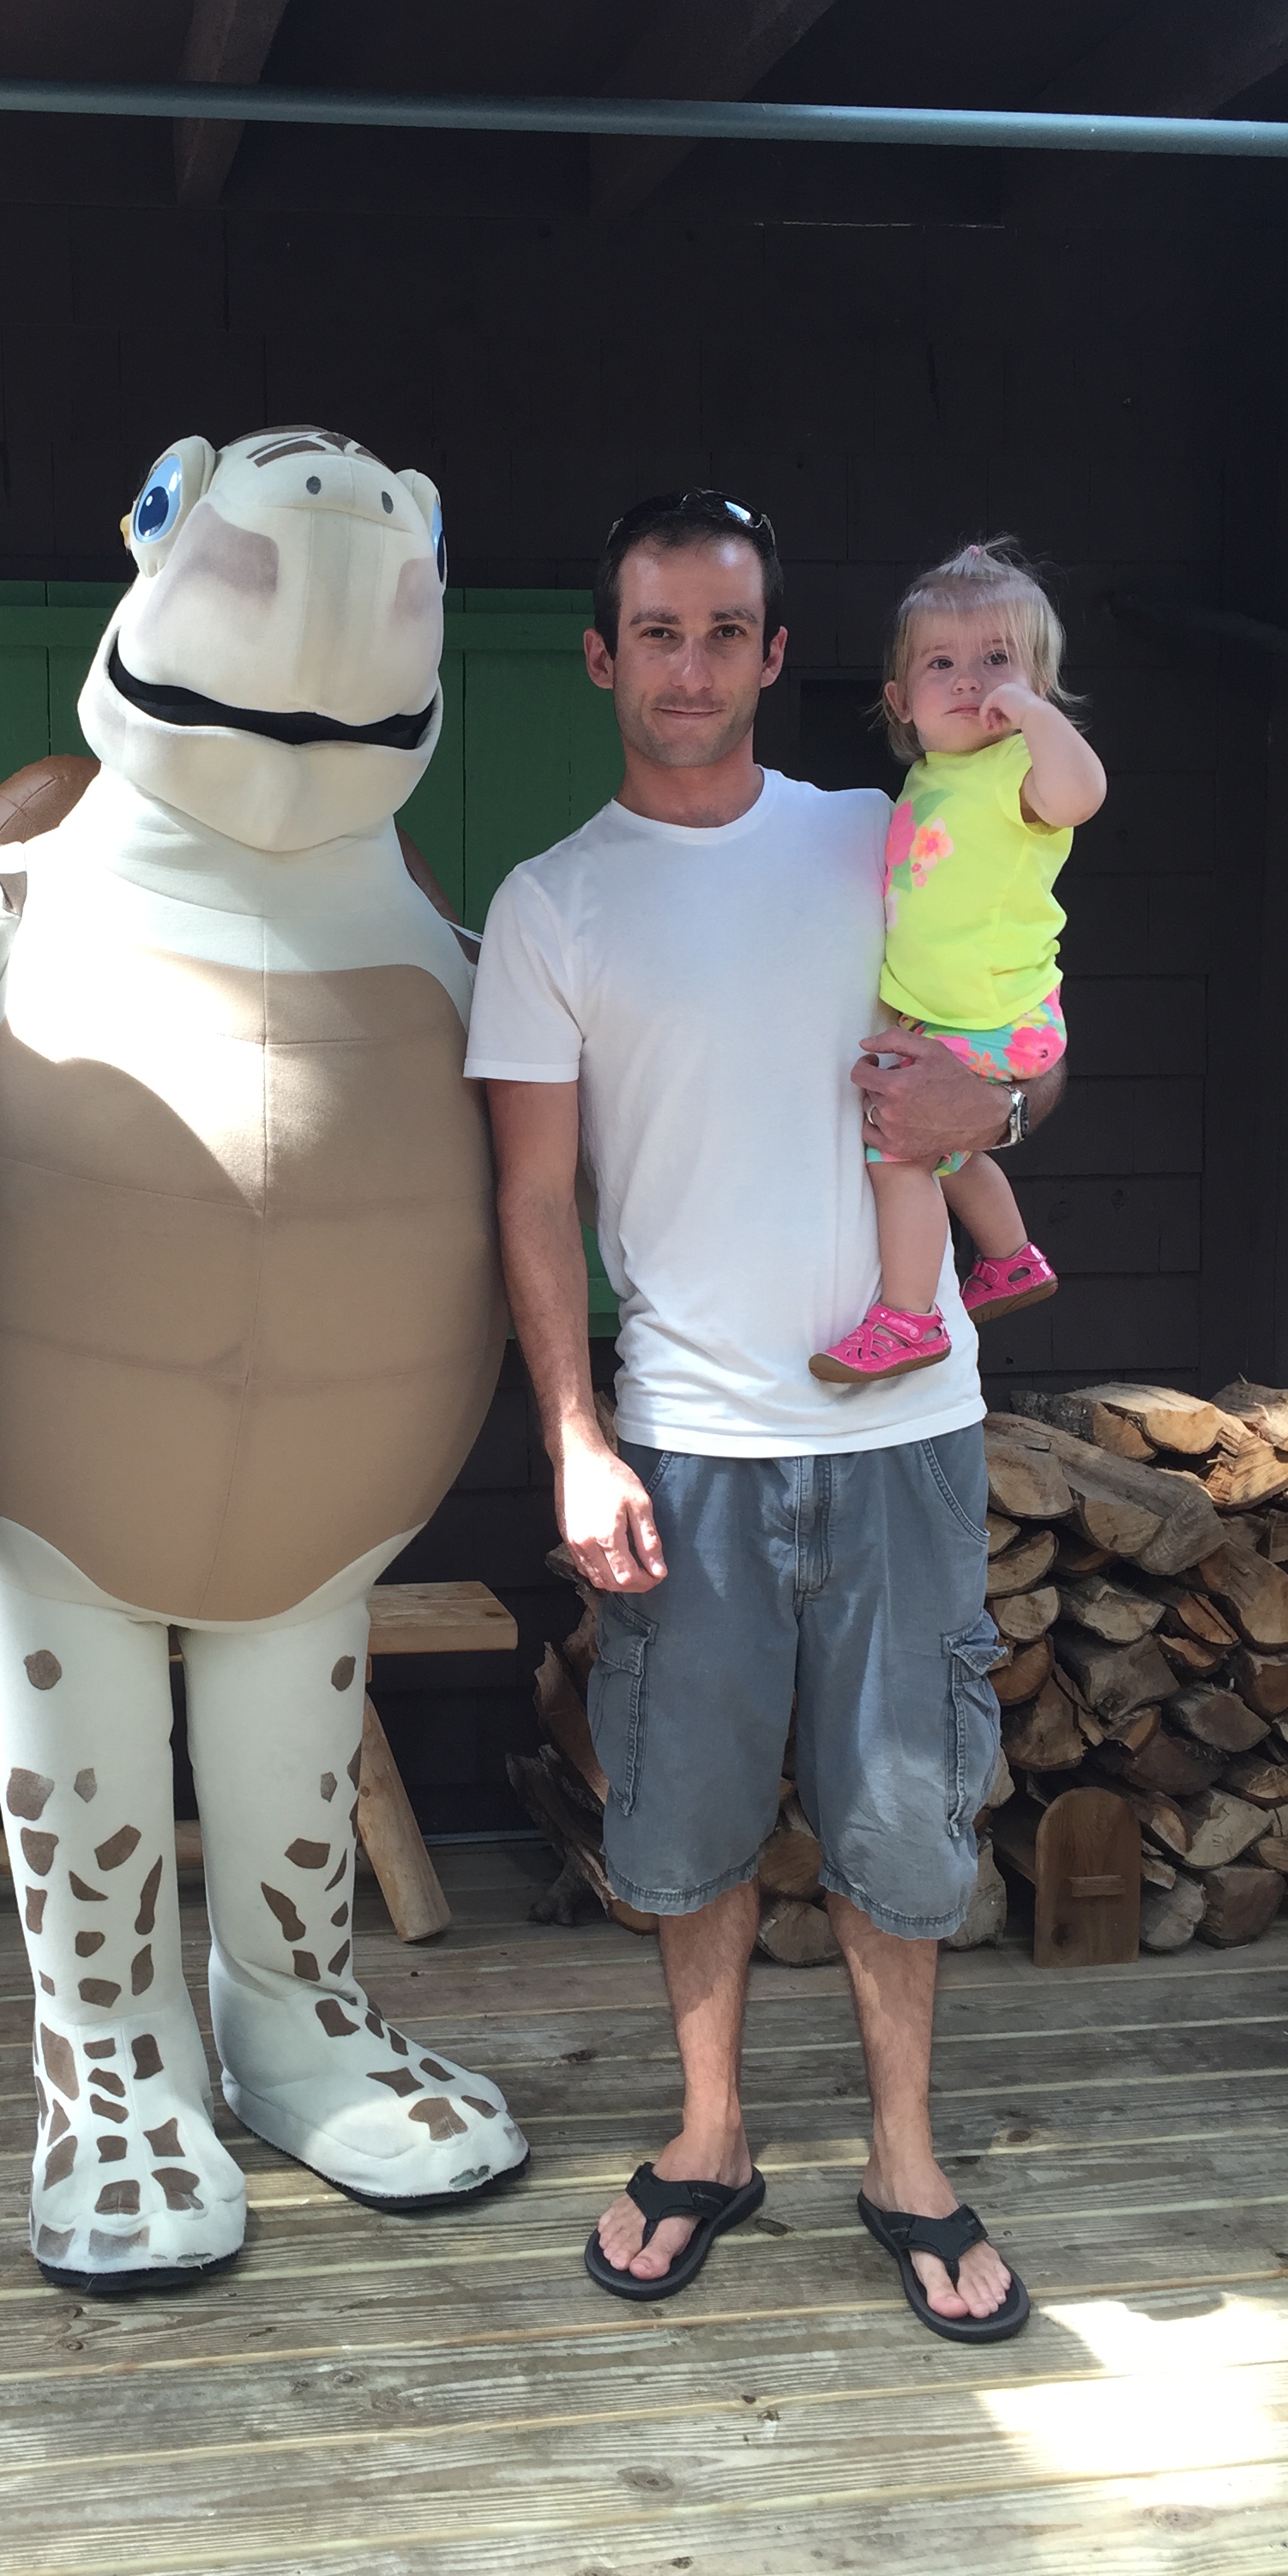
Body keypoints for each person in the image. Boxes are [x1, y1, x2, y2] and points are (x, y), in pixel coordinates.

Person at [468, 490, 1061, 2344]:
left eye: (726, 631)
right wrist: (573, 1435)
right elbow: (530, 1199)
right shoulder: (550, 904)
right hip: (692, 1439)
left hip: (904, 1430)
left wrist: (998, 1119)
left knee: (900, 1825)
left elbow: (1021, 1028)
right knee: (689, 1819)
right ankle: (711, 2132)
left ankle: (905, 2156)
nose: (691, 665)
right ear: (603, 655)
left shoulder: (880, 837)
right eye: (658, 630)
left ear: (777, 656)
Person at [810, 540, 1106, 1384]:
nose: (972, 681)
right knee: (950, 1149)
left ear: (1039, 682)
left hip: (994, 1013)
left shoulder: (1018, 770)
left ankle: (910, 1317)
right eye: (942, 663)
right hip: (954, 1012)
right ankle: (1010, 1258)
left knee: (898, 1148)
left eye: (998, 660)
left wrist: (1036, 718)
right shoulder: (934, 778)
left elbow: (1083, 794)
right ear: (901, 701)